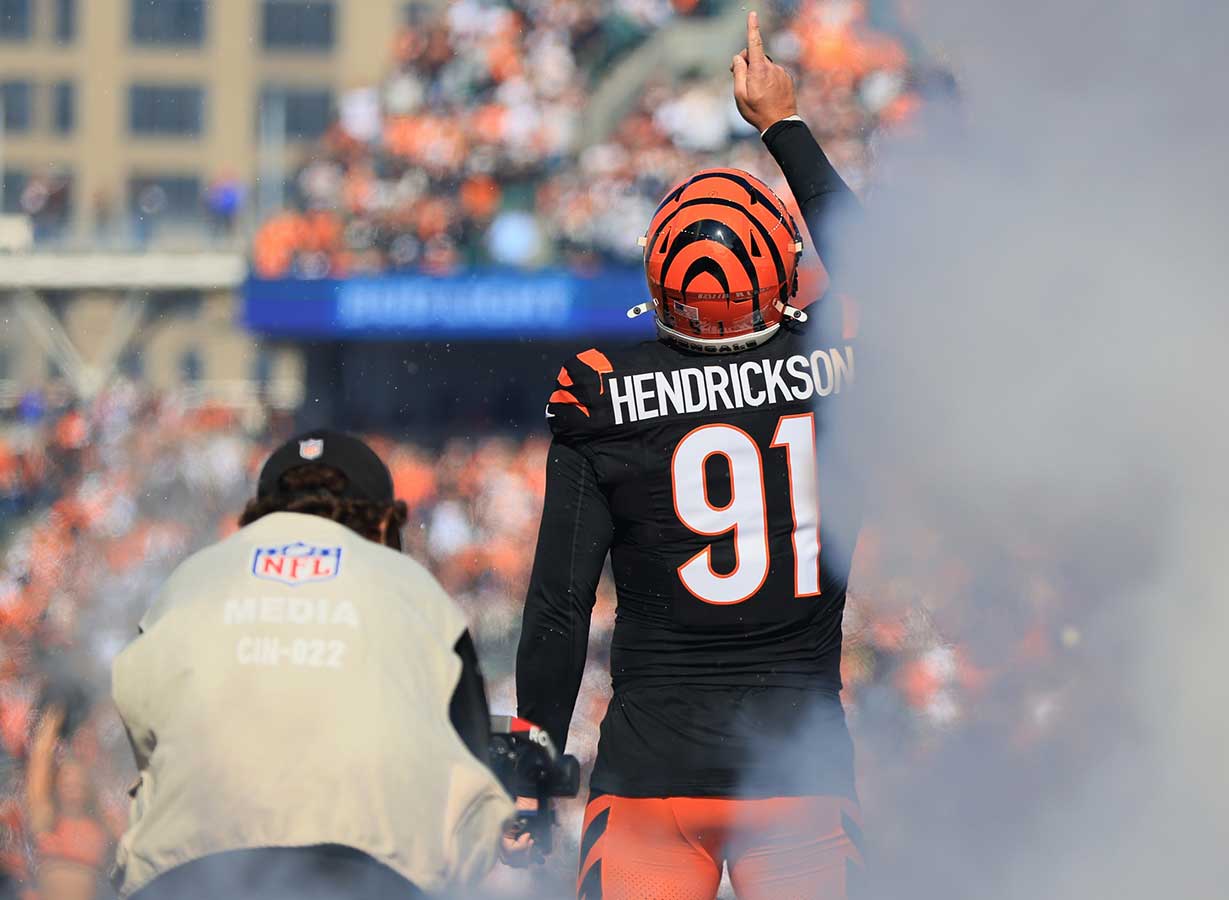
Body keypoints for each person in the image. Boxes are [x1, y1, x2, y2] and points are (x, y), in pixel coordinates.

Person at [508, 13, 866, 898]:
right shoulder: (834, 371)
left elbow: (560, 603)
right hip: (800, 772)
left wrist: (534, 762)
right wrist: (782, 123)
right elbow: (887, 273)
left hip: (651, 774)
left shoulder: (601, 394)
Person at [110, 430, 513, 900]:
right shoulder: (412, 589)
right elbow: (469, 756)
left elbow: (142, 732)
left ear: (260, 515)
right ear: (383, 523)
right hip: (366, 872)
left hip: (187, 872)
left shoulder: (191, 580)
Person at [23, 706, 110, 900]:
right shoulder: (47, 819)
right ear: (56, 786)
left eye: (78, 780)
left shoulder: (101, 823)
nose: (73, 785)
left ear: (87, 786)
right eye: (67, 781)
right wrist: (56, 711)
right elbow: (39, 764)